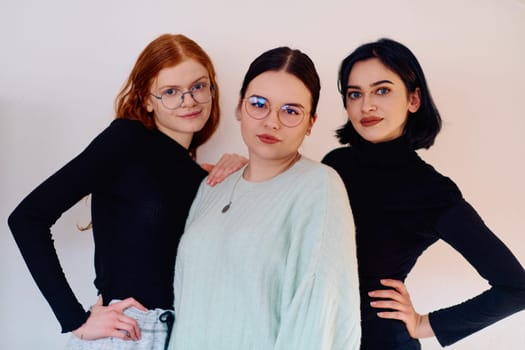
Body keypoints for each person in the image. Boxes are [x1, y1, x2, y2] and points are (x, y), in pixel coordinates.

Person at [8, 33, 245, 350]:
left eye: (199, 86)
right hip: (131, 333)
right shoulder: (127, 140)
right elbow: (27, 218)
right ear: (147, 99)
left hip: (190, 333)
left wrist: (246, 174)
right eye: (171, 91)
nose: (188, 100)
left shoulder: (201, 177)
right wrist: (75, 319)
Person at [322, 38, 525, 349]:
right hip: (316, 333)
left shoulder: (433, 192)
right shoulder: (335, 164)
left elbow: (516, 288)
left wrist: (424, 323)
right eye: (354, 94)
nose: (367, 106)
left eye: (382, 90)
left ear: (414, 99)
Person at [167, 47, 361, 350]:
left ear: (311, 122)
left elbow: (320, 318)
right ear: (239, 107)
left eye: (291, 111)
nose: (272, 122)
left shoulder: (319, 186)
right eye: (259, 104)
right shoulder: (213, 187)